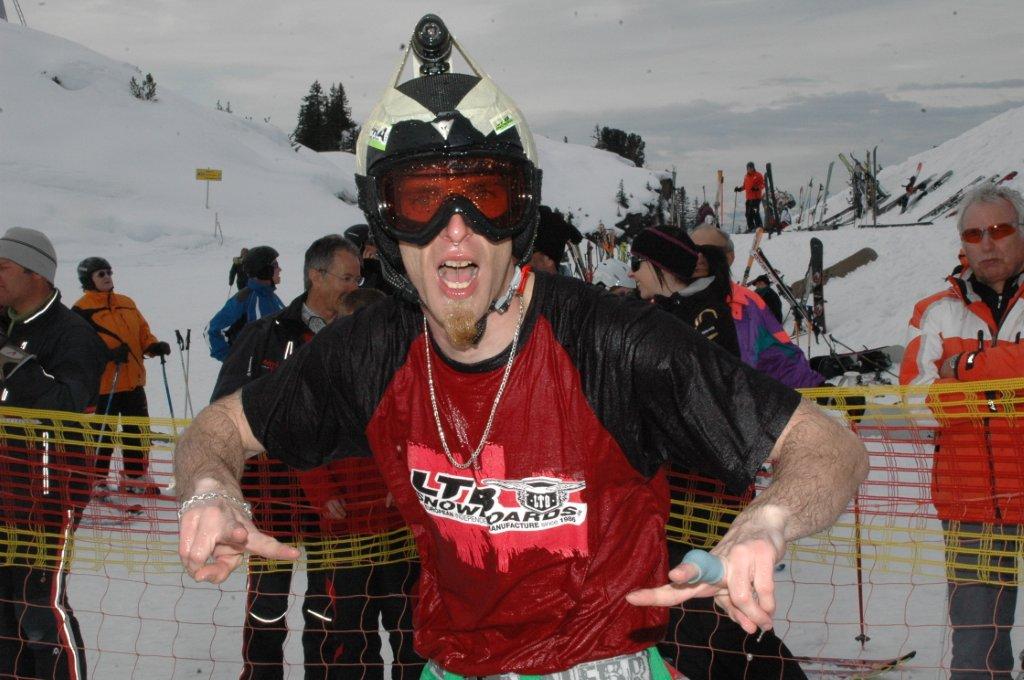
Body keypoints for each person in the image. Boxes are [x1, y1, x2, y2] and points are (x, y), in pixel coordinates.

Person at [174, 14, 867, 679]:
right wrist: (209, 487)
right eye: (422, 201)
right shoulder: (373, 353)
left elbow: (828, 447)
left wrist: (768, 520)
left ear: (521, 212)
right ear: (387, 225)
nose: (455, 230)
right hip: (453, 666)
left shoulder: (611, 345)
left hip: (600, 665)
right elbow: (218, 429)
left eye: (485, 195)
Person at [211, 235, 364, 679]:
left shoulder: (361, 333)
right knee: (267, 605)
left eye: (357, 279)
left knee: (328, 606)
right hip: (274, 495)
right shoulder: (267, 334)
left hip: (340, 499)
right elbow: (225, 406)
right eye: (346, 278)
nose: (354, 287)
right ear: (316, 275)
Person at [900, 185, 1024, 680]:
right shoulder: (934, 311)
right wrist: (1003, 394)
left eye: (1000, 229)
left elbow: (941, 395)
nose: (987, 243)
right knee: (976, 658)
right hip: (971, 501)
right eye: (974, 234)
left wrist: (966, 367)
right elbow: (916, 406)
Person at [296, 285, 422, 679]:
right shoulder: (320, 375)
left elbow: (424, 438)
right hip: (345, 535)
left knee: (410, 631)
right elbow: (302, 443)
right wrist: (322, 493)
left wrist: (405, 481)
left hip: (401, 533)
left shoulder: (408, 374)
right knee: (352, 635)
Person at [0, 227, 107, 680]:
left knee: (40, 610)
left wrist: (15, 365)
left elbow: (69, 406)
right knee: (3, 614)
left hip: (47, 495)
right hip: (4, 492)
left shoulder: (73, 334)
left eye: (3, 268)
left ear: (36, 274)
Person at [72, 256, 171, 496]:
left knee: (136, 432)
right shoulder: (81, 310)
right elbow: (78, 348)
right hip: (104, 385)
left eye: (109, 272)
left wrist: (152, 346)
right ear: (88, 279)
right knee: (102, 436)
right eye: (101, 274)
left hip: (133, 381)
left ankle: (135, 477)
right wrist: (107, 354)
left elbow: (142, 332)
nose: (107, 277)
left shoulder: (126, 303)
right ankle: (96, 479)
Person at [690, 225, 823, 389]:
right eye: (692, 250)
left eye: (708, 251)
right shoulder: (668, 301)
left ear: (729, 257)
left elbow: (778, 358)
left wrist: (814, 387)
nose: (698, 258)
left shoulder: (747, 303)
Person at [629, 227, 739, 356]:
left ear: (664, 265)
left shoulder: (708, 318)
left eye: (635, 262)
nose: (630, 273)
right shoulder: (659, 310)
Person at [208, 245, 285, 361]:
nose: (280, 269)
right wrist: (234, 362)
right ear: (264, 270)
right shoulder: (245, 299)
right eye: (275, 265)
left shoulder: (271, 296)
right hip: (255, 371)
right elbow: (212, 331)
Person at [529, 205, 582, 274]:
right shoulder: (560, 223)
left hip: (537, 260)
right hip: (553, 261)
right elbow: (578, 238)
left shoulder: (533, 224)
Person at [734, 162, 765, 233]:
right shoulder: (746, 176)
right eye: (748, 168)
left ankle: (759, 227)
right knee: (747, 214)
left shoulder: (758, 175)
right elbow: (745, 186)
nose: (749, 169)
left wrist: (757, 188)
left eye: (751, 167)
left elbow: (763, 184)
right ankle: (751, 227)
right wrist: (739, 189)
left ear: (753, 168)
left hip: (756, 198)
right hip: (749, 198)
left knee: (754, 212)